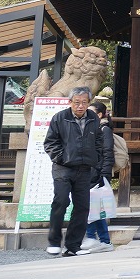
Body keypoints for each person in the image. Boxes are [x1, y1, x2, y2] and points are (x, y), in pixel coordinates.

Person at [44, 87, 103, 257]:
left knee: (82, 207)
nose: (80, 106)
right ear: (70, 102)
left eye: (84, 102)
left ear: (89, 103)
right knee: (60, 202)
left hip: (84, 168)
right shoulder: (60, 118)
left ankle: (73, 246)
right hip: (63, 168)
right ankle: (54, 242)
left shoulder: (93, 118)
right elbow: (50, 142)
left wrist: (96, 157)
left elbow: (98, 140)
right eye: (77, 102)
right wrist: (61, 158)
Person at [81, 102, 115, 252]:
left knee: (91, 208)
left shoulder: (104, 129)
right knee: (94, 208)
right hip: (88, 172)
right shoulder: (90, 129)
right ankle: (102, 241)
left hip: (97, 174)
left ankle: (94, 238)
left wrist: (104, 174)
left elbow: (108, 152)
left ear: (99, 114)